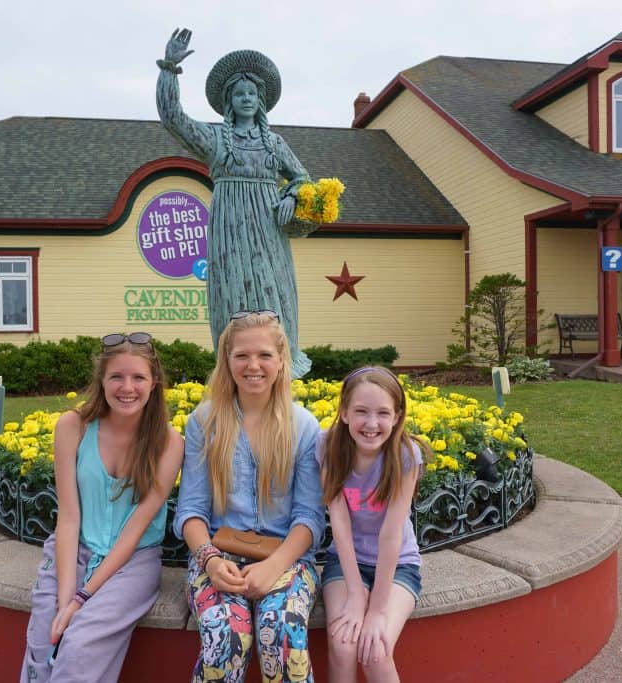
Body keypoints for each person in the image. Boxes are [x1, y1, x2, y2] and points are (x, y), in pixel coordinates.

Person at [20, 332, 184, 683]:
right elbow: (68, 517)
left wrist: (82, 598)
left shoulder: (169, 443)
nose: (127, 387)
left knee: (79, 646)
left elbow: (136, 527)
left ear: (154, 383)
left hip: (131, 561)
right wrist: (66, 599)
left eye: (138, 377)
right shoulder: (73, 427)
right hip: (73, 551)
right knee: (43, 642)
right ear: (102, 381)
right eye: (117, 377)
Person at [174, 311, 325, 682]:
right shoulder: (204, 421)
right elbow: (191, 510)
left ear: (280, 361)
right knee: (225, 638)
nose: (252, 365)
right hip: (218, 556)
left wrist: (273, 567)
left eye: (264, 355)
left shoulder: (303, 426)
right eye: (241, 355)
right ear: (226, 361)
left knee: (283, 634)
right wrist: (209, 561)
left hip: (286, 559)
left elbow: (308, 518)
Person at [156, 28, 314, 378]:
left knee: (275, 295)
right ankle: (234, 371)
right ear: (229, 100)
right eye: (239, 93)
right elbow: (173, 118)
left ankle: (280, 371)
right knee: (233, 296)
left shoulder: (274, 142)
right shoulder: (214, 140)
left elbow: (303, 179)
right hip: (230, 230)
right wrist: (169, 68)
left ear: (261, 100)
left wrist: (290, 194)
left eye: (252, 93)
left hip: (270, 231)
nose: (246, 98)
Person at [317, 367, 431, 682]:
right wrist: (355, 593)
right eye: (360, 412)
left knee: (375, 649)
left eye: (383, 413)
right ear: (343, 413)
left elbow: (391, 535)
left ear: (397, 417)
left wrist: (377, 610)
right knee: (343, 645)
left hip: (397, 566)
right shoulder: (328, 446)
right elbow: (339, 522)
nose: (371, 423)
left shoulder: (406, 456)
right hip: (346, 562)